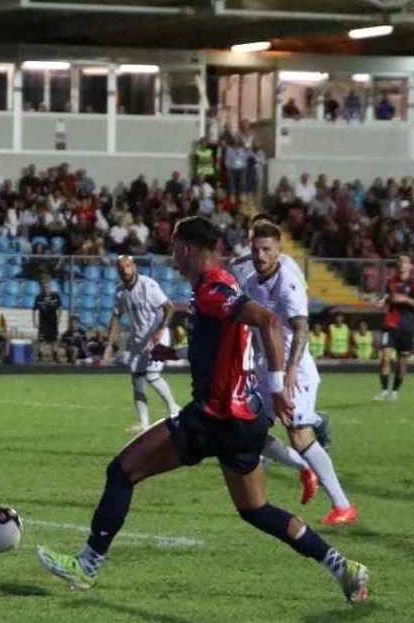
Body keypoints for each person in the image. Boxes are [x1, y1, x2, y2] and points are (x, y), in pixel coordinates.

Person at [35, 216, 369, 603]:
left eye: (176, 250)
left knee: (122, 471)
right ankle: (342, 566)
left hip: (214, 417)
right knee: (256, 509)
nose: (173, 258)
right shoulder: (221, 287)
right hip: (245, 422)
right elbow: (221, 348)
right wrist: (174, 353)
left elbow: (269, 321)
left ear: (189, 250)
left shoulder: (214, 288)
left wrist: (279, 386)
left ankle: (87, 565)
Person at [230, 222, 357, 524]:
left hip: (294, 371)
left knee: (299, 435)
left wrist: (289, 373)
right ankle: (304, 467)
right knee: (245, 431)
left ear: (279, 251)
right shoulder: (250, 283)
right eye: (256, 250)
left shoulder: (288, 283)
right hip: (265, 369)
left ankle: (343, 506)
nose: (260, 256)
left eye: (267, 250)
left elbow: (301, 330)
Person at [103, 256, 179, 434]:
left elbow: (170, 307)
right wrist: (109, 344)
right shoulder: (120, 292)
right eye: (121, 267)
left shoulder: (148, 285)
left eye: (128, 266)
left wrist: (160, 330)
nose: (125, 270)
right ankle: (144, 425)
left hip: (157, 335)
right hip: (138, 339)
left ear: (134, 267)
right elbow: (116, 318)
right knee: (137, 380)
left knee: (152, 375)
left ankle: (175, 410)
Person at [375, 254, 414, 402]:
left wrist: (406, 299)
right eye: (399, 262)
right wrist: (381, 303)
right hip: (390, 324)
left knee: (402, 361)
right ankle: (384, 390)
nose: (402, 264)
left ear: (410, 266)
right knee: (385, 357)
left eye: (405, 262)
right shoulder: (390, 282)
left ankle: (395, 391)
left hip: (407, 327)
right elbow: (385, 299)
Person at [32, 279, 62, 363]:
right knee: (42, 340)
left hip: (53, 321)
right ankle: (41, 355)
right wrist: (34, 321)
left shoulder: (55, 296)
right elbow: (34, 310)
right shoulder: (39, 297)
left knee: (54, 339)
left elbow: (60, 308)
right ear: (41, 287)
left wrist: (59, 318)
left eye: (47, 286)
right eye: (44, 287)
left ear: (50, 287)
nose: (45, 288)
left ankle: (55, 355)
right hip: (43, 322)